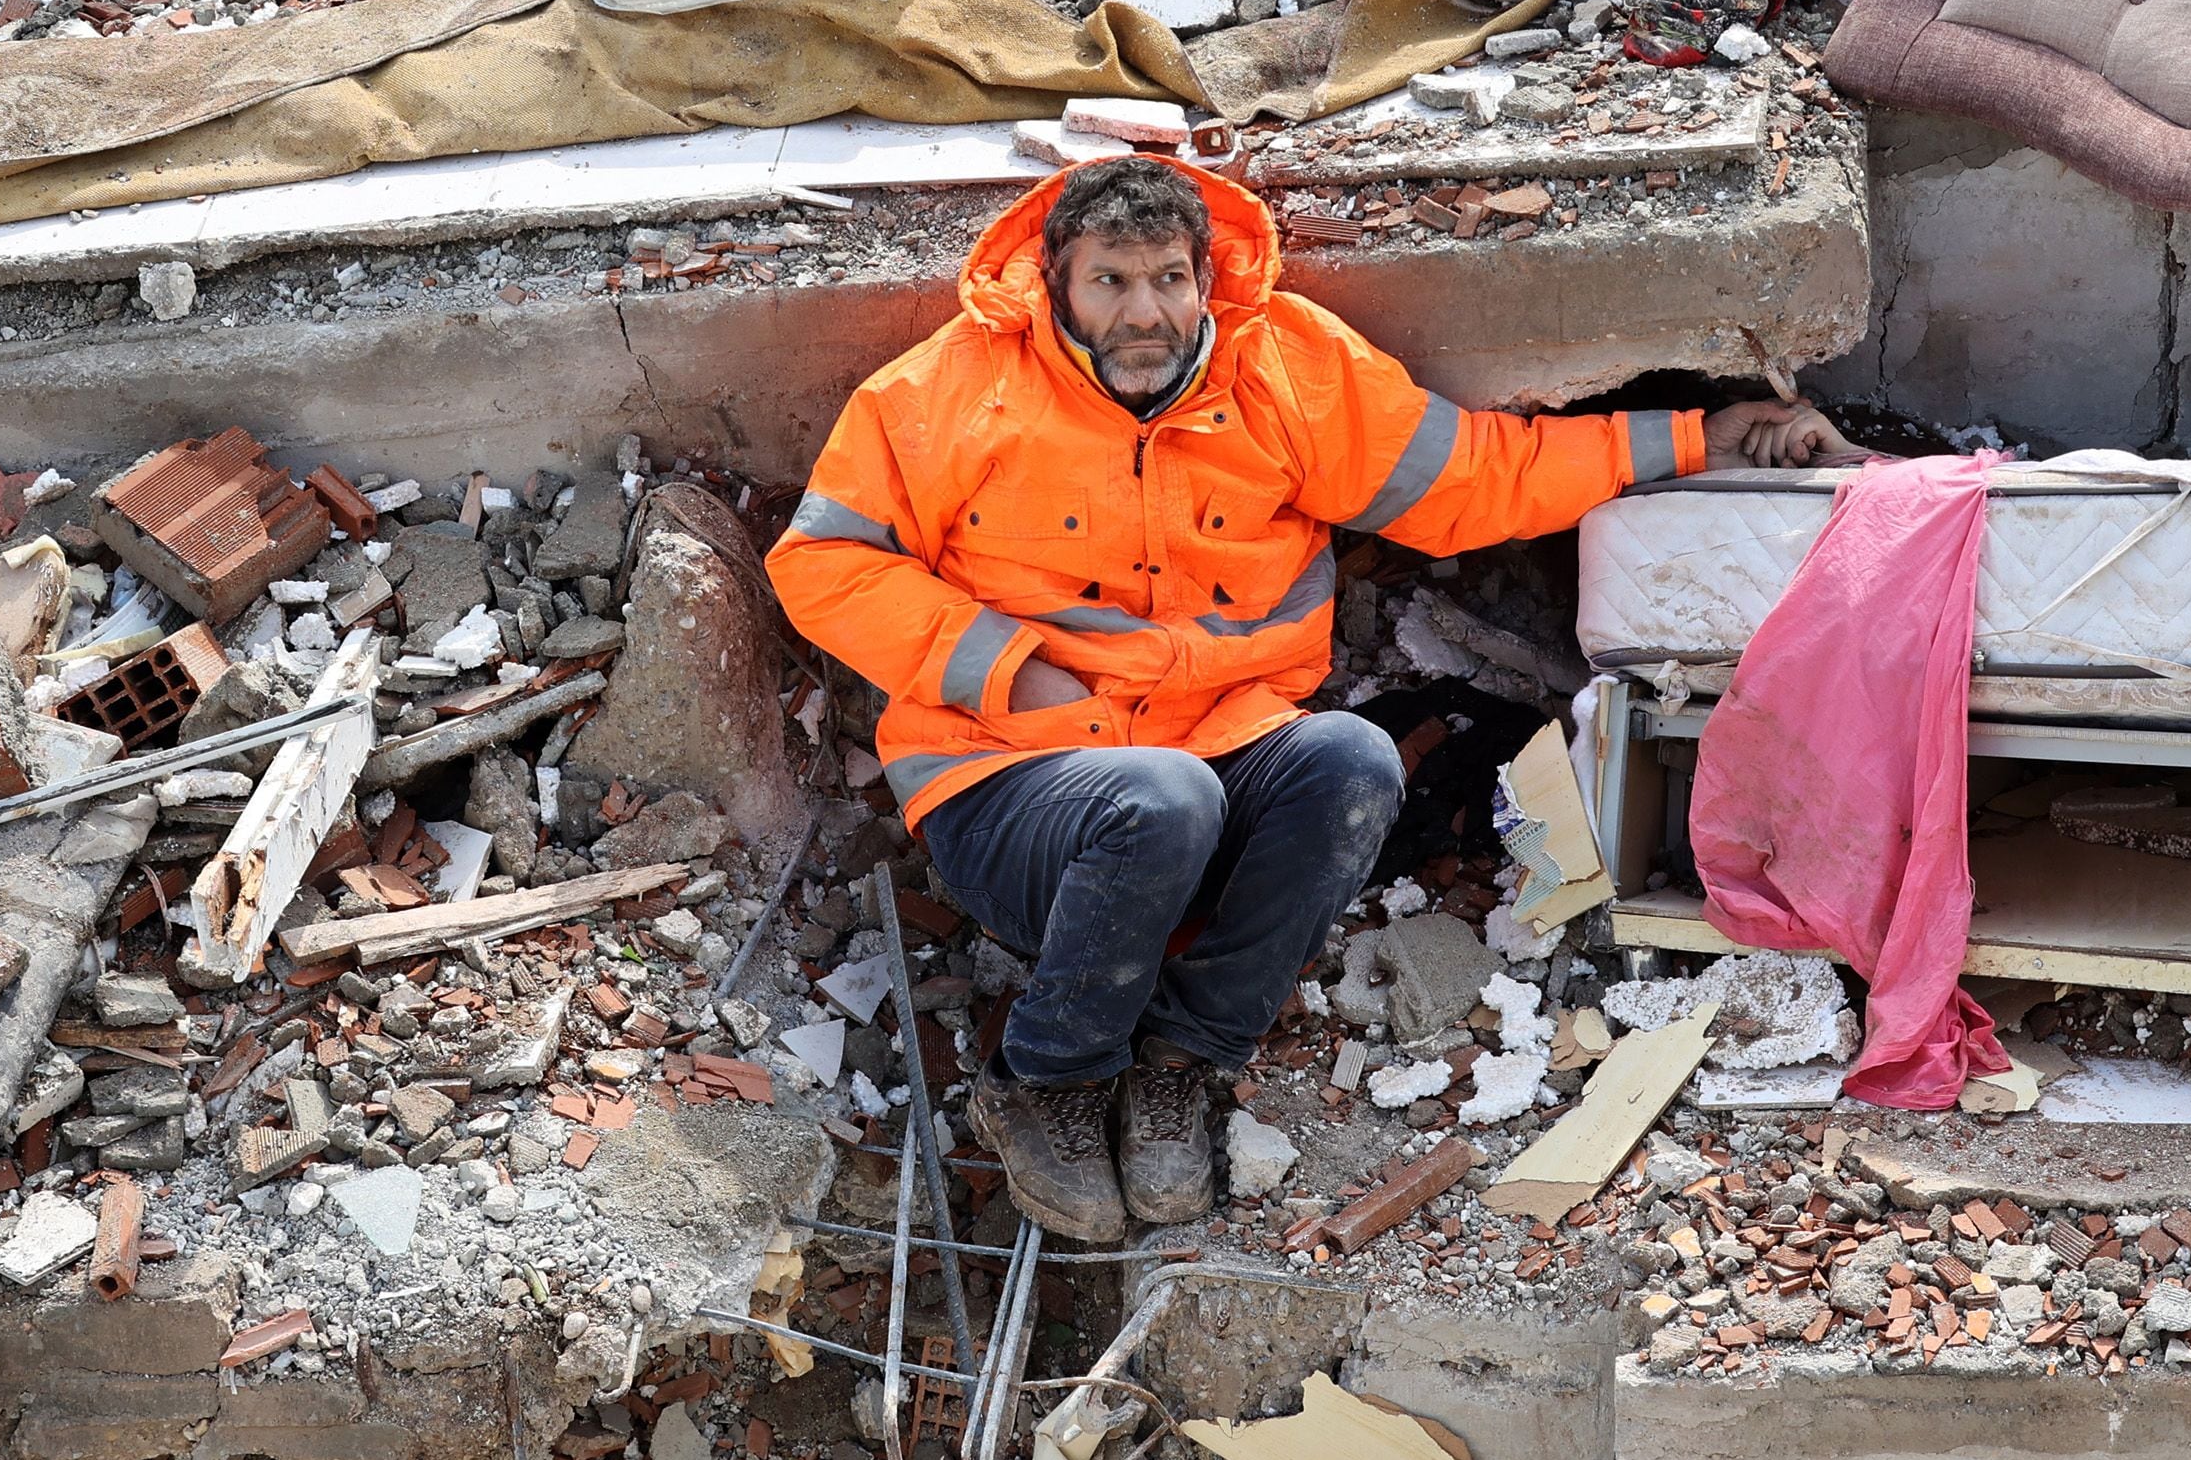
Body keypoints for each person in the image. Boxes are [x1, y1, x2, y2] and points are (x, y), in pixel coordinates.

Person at [766, 155, 1855, 1241]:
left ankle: (1181, 1065)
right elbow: (820, 564)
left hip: (1215, 760)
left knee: (1349, 762)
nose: (1144, 313)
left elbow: (1475, 478)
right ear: (1056, 282)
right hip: (1011, 786)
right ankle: (1047, 1081)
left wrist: (1704, 439)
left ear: (1204, 278)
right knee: (1162, 800)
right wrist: (1010, 669)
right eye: (1110, 282)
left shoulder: (1283, 367)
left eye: (1168, 280)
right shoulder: (949, 386)